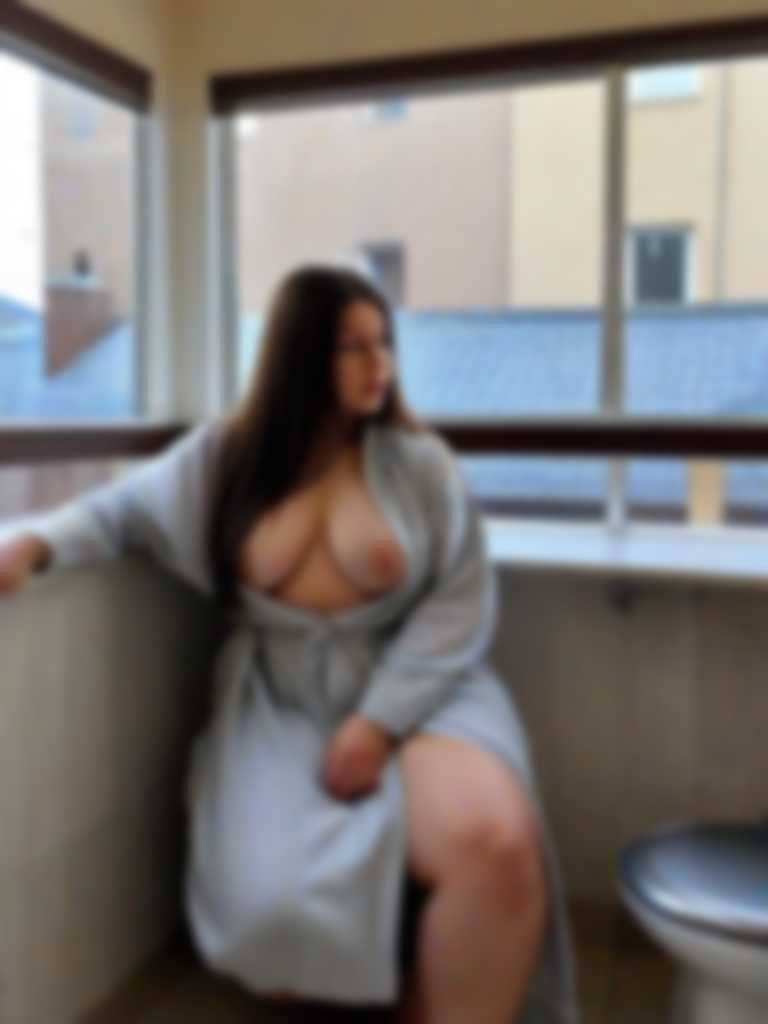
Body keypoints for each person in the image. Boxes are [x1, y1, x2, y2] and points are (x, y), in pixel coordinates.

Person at [0, 265, 579, 1023]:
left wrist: (379, 721)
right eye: (353, 347)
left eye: (385, 344)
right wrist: (34, 546)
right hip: (281, 695)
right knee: (263, 918)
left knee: (498, 847)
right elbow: (119, 512)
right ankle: (401, 971)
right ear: (302, 353)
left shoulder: (419, 464)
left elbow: (462, 597)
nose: (380, 365)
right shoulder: (226, 459)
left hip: (420, 685)